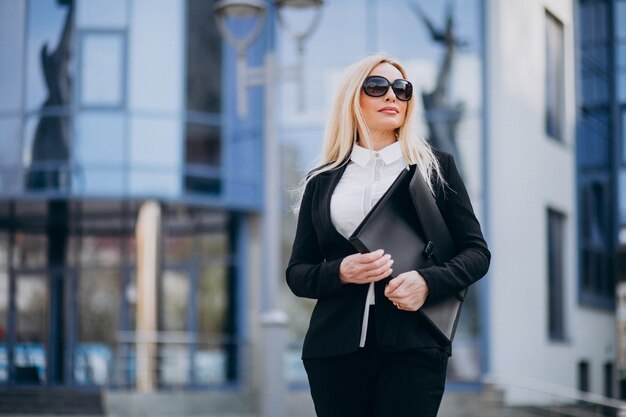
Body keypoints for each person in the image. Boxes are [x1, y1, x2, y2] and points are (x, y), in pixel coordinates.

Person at [286, 54, 490, 417]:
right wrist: (340, 272)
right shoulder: (322, 180)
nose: (392, 96)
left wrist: (428, 282)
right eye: (377, 87)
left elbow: (476, 253)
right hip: (334, 350)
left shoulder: (434, 168)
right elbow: (298, 272)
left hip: (414, 345)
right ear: (354, 99)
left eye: (402, 89)